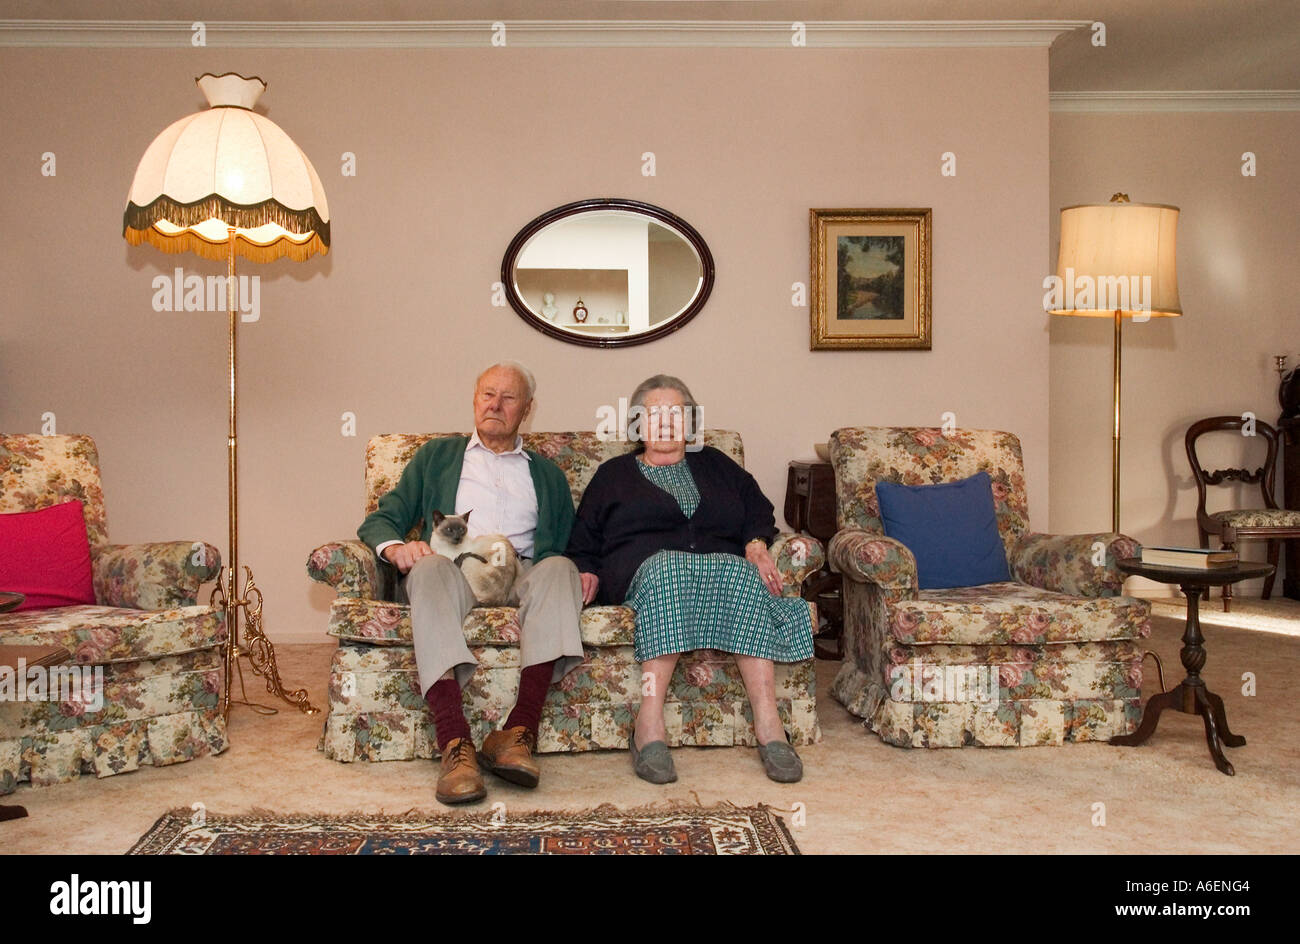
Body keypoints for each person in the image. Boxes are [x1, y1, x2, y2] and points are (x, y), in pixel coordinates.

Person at [566, 375, 814, 784]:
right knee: (670, 567)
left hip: (720, 569)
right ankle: (649, 726)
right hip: (646, 572)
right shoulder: (613, 475)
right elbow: (583, 539)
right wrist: (584, 568)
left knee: (739, 570)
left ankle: (769, 727)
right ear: (637, 425)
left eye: (675, 413)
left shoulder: (715, 463)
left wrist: (754, 544)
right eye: (653, 414)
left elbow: (758, 507)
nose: (665, 422)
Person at [357, 362, 584, 804]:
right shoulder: (436, 456)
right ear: (474, 399)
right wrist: (396, 548)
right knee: (426, 568)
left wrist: (588, 568)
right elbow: (383, 518)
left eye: (509, 397)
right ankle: (455, 744)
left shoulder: (549, 475)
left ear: (527, 410)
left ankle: (517, 734)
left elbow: (572, 542)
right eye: (487, 394)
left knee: (561, 569)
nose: (495, 405)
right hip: (456, 571)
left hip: (522, 572)